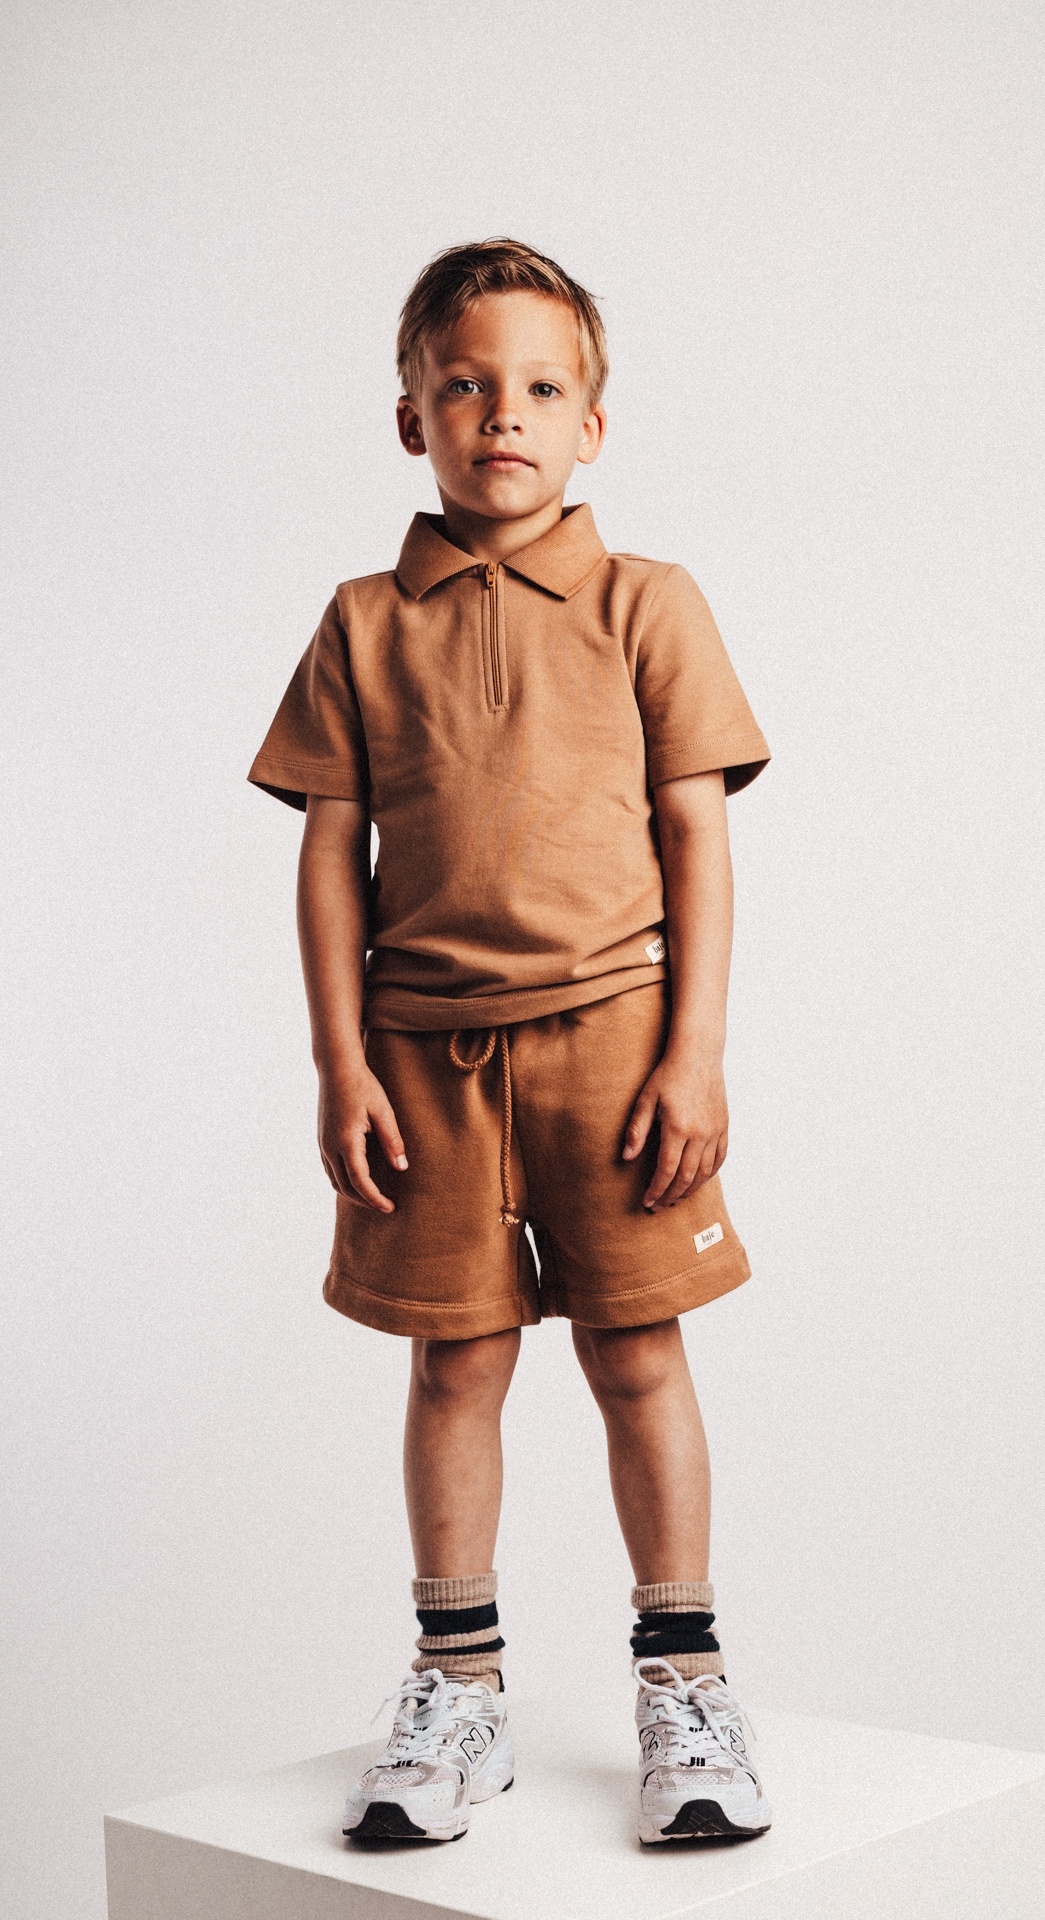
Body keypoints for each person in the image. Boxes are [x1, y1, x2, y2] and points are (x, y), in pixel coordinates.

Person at [249, 238, 772, 1848]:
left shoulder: (647, 603)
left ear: (592, 425)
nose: (504, 415)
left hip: (615, 1044)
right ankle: (457, 1689)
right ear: (411, 417)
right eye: (465, 384)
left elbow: (698, 836)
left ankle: (686, 1686)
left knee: (636, 1351)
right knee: (456, 1362)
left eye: (542, 388)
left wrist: (695, 1052)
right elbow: (329, 854)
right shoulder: (360, 623)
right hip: (422, 1059)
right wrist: (340, 1062)